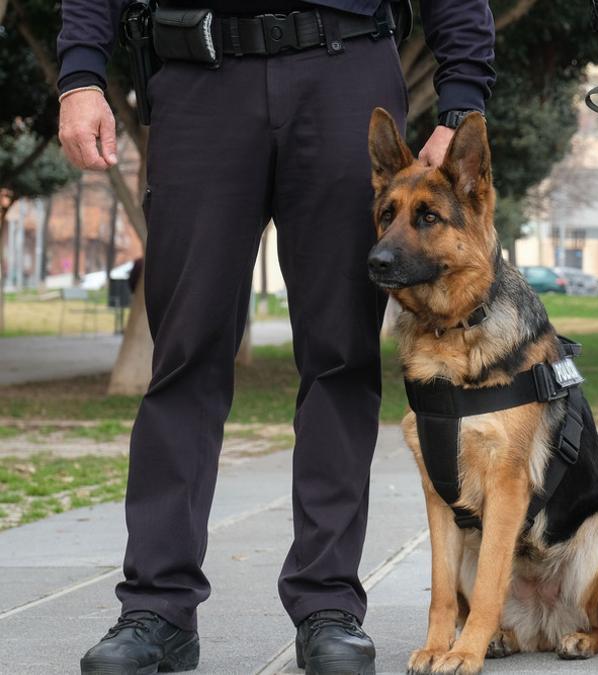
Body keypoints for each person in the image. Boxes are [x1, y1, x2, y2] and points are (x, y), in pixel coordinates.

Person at [57, 1, 494, 673]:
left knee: (341, 356)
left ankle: (328, 607)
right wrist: (81, 74)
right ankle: (157, 607)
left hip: (344, 67)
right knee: (185, 355)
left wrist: (461, 97)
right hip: (198, 77)